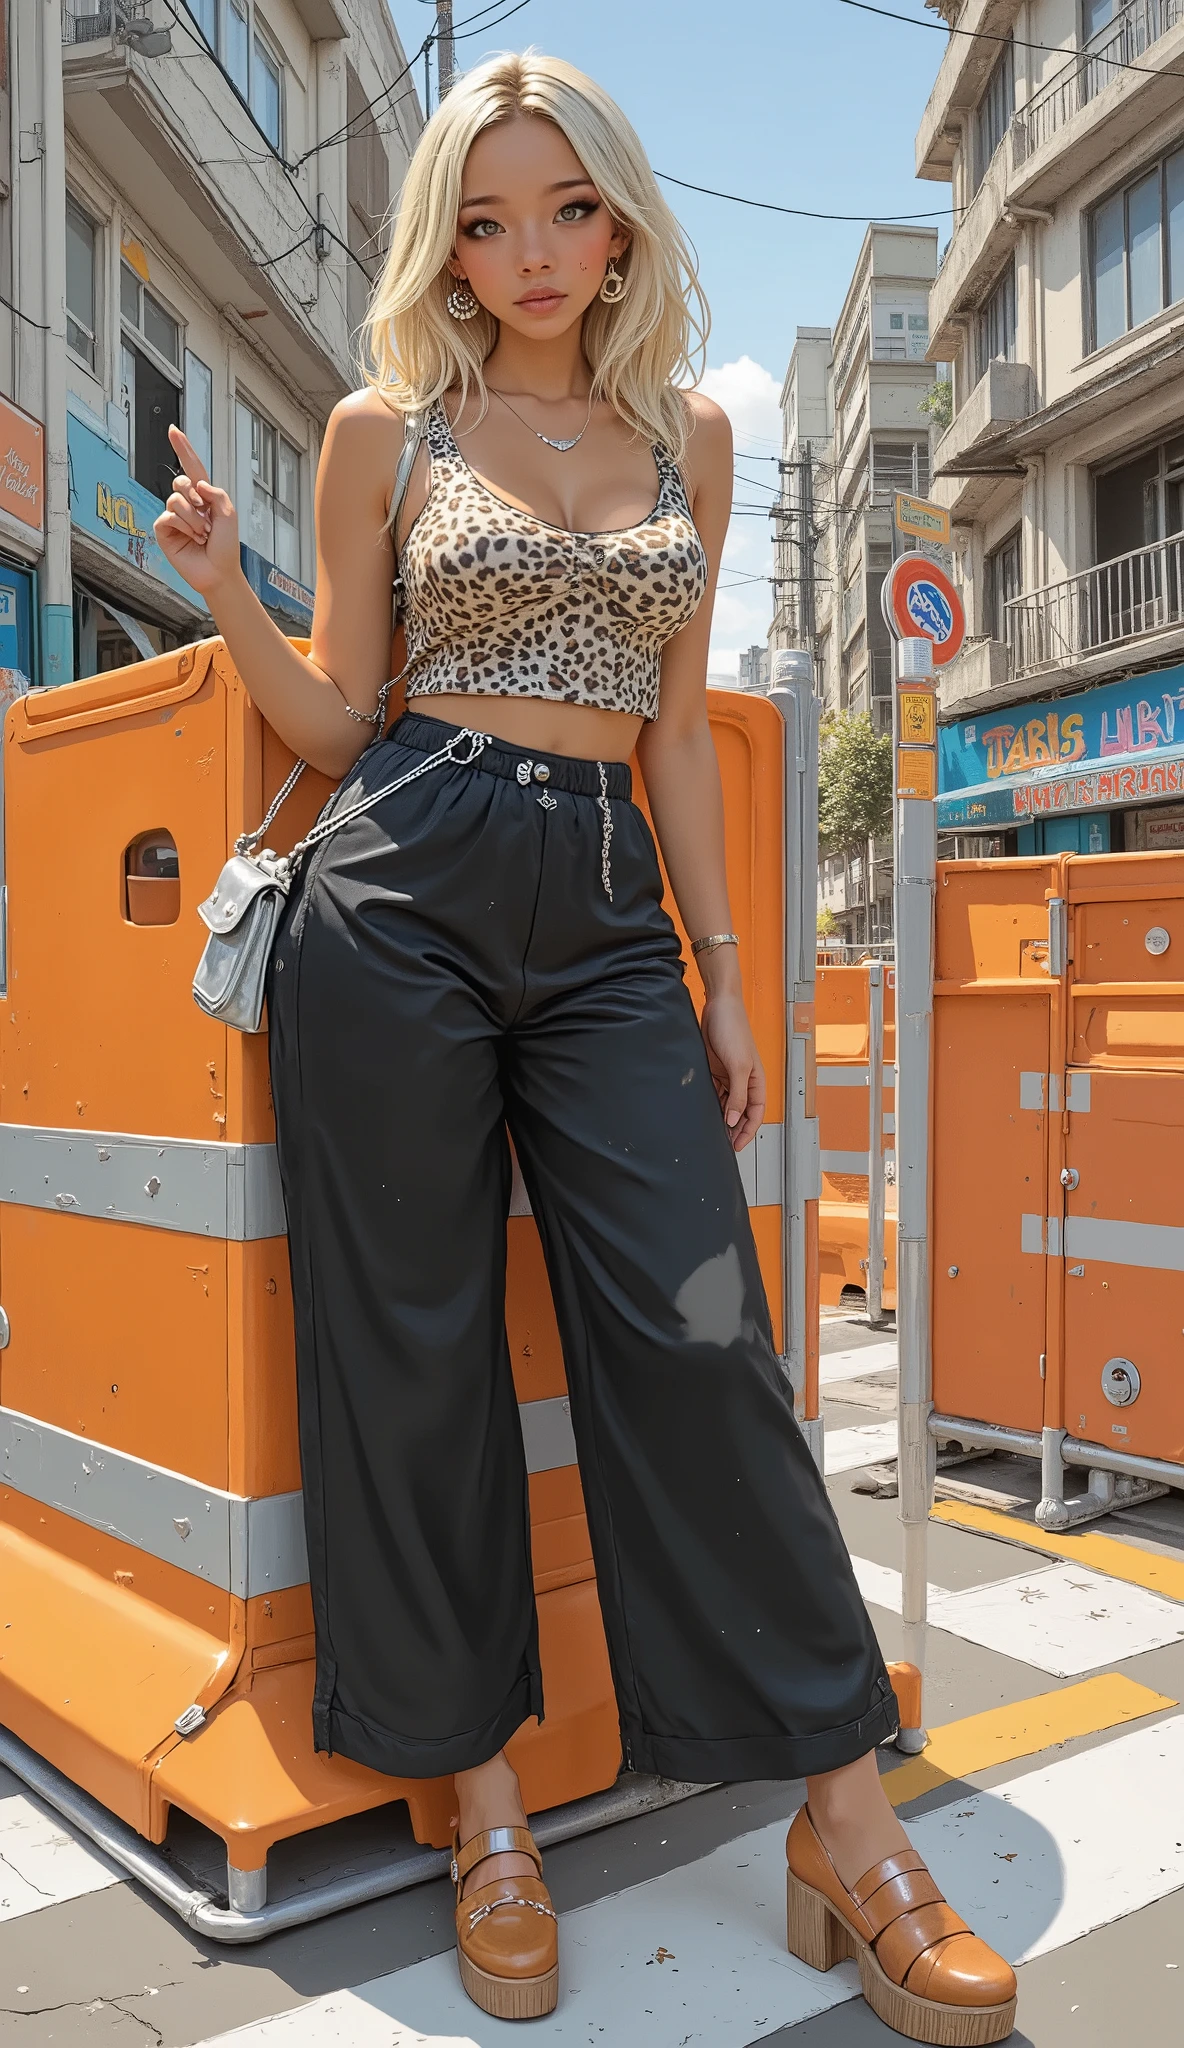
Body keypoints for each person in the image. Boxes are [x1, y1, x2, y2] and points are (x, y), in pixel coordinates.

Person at [155, 49, 1015, 2044]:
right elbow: (346, 718)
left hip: (609, 915)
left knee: (705, 1336)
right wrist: (221, 593)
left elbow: (671, 729)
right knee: (414, 1354)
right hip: (400, 892)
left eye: (562, 208)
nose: (527, 251)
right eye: (482, 217)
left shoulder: (685, 435)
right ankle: (482, 1814)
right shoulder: (385, 430)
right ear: (444, 241)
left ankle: (841, 1816)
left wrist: (724, 962)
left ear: (618, 217)